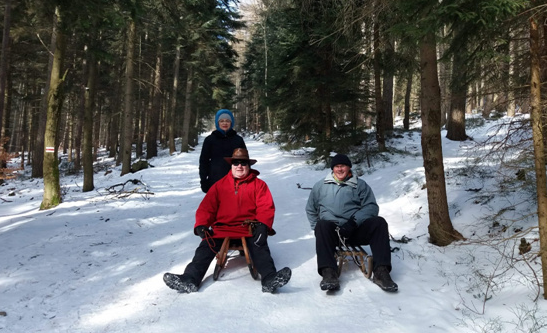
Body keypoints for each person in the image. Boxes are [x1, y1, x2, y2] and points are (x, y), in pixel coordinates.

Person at [164, 148, 291, 294]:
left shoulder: (259, 185)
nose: (239, 166)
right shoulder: (219, 186)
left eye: (243, 163)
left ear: (249, 166)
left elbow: (266, 207)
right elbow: (206, 208)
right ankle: (190, 279)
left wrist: (263, 225)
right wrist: (201, 224)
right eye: (236, 162)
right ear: (231, 165)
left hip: (248, 227)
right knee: (205, 248)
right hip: (222, 228)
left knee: (260, 247)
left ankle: (269, 279)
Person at [305, 153, 398, 293]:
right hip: (333, 233)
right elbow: (311, 209)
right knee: (321, 225)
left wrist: (354, 222)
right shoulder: (320, 186)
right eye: (337, 166)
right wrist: (318, 231)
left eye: (343, 166)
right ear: (332, 169)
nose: (340, 169)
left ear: (349, 168)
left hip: (355, 229)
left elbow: (371, 207)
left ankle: (381, 272)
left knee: (379, 223)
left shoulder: (360, 185)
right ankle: (329, 273)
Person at [199, 109, 246, 193]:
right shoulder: (210, 140)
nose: (225, 123)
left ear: (231, 123)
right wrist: (203, 180)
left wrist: (246, 178)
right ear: (218, 123)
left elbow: (245, 160)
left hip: (235, 180)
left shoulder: (238, 140)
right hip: (215, 180)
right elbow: (203, 161)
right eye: (222, 121)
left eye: (227, 121)